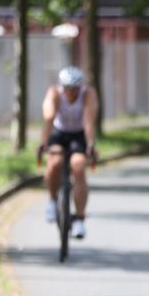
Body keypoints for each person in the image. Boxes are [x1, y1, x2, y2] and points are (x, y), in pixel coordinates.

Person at [39, 66, 99, 239]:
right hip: (59, 133)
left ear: (81, 87)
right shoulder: (54, 93)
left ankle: (80, 219)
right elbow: (49, 119)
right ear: (62, 87)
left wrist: (90, 145)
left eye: (75, 89)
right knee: (54, 162)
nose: (72, 92)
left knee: (78, 166)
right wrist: (44, 143)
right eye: (68, 89)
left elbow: (88, 121)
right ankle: (52, 201)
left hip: (79, 135)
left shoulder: (88, 94)